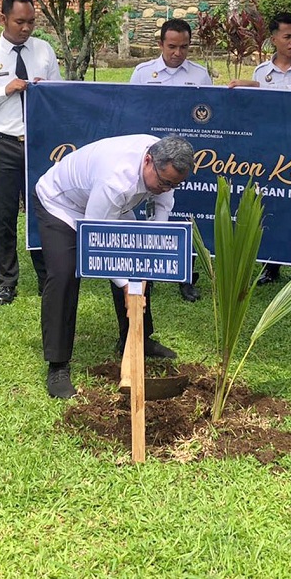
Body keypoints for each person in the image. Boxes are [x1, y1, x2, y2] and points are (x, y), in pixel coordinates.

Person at [34, 135, 192, 398]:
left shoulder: (168, 164)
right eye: (164, 182)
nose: (167, 188)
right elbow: (95, 242)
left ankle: (137, 340)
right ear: (148, 161)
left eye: (174, 184)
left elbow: (162, 209)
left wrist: (147, 255)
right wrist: (127, 284)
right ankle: (58, 366)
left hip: (107, 205)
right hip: (62, 204)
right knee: (64, 274)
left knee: (137, 261)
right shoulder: (116, 179)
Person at [0, 0, 61, 306]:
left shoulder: (44, 51)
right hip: (2, 144)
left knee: (43, 212)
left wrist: (48, 91)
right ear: (4, 19)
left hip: (39, 144)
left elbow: (59, 93)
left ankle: (47, 278)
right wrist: (4, 90)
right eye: (20, 22)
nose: (26, 28)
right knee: (4, 216)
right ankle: (7, 281)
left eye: (31, 21)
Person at [227, 12, 291, 287]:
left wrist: (257, 87)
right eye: (287, 36)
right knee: (270, 205)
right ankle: (271, 266)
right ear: (273, 39)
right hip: (270, 151)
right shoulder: (261, 72)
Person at [130, 18, 212, 303]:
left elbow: (207, 116)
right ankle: (146, 274)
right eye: (172, 46)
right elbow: (133, 111)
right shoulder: (143, 73)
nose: (178, 53)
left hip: (183, 161)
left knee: (186, 216)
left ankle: (186, 277)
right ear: (160, 44)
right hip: (153, 161)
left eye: (184, 47)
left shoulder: (200, 75)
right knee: (147, 214)